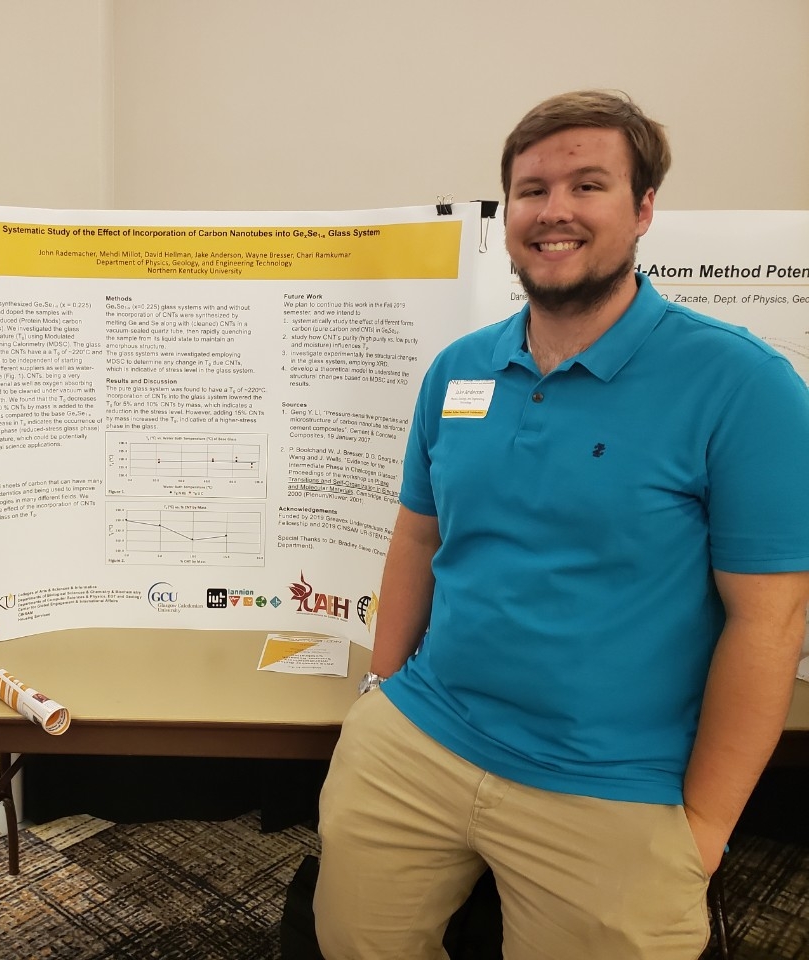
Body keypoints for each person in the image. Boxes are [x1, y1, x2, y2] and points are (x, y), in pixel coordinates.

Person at [314, 90, 809, 959]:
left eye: (588, 185)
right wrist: (378, 698)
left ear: (645, 208)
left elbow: (769, 622)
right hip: (418, 742)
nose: (554, 211)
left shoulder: (744, 387)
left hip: (611, 786)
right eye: (533, 188)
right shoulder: (459, 371)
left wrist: (703, 831)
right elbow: (418, 539)